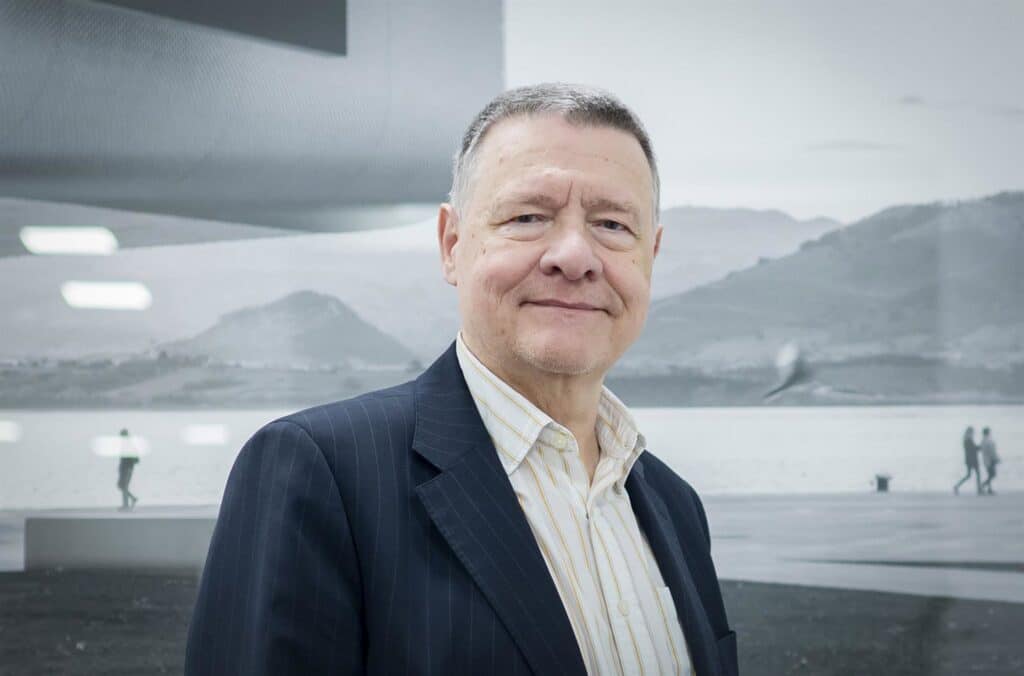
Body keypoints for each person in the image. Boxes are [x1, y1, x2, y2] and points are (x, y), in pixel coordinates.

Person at [186, 83, 737, 676]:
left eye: (612, 224)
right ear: (452, 244)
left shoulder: (676, 506)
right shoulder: (322, 474)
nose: (575, 256)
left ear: (651, 255)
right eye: (528, 217)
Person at [953, 426, 982, 495]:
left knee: (969, 475)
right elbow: (974, 449)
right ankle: (979, 489)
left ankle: (957, 486)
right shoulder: (969, 440)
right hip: (973, 459)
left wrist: (978, 447)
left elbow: (972, 449)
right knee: (977, 474)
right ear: (970, 432)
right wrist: (980, 447)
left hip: (968, 460)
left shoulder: (966, 440)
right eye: (972, 432)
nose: (973, 433)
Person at [116, 428, 139, 511]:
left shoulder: (128, 445)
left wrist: (129, 464)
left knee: (124, 486)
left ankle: (126, 505)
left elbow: (135, 459)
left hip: (127, 468)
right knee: (121, 486)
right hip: (125, 468)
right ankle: (132, 499)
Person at [980, 427, 1000, 495]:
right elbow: (991, 451)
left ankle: (989, 489)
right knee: (993, 474)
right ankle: (983, 485)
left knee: (990, 474)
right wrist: (996, 458)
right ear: (988, 432)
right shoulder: (988, 440)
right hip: (990, 460)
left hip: (986, 460)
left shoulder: (983, 440)